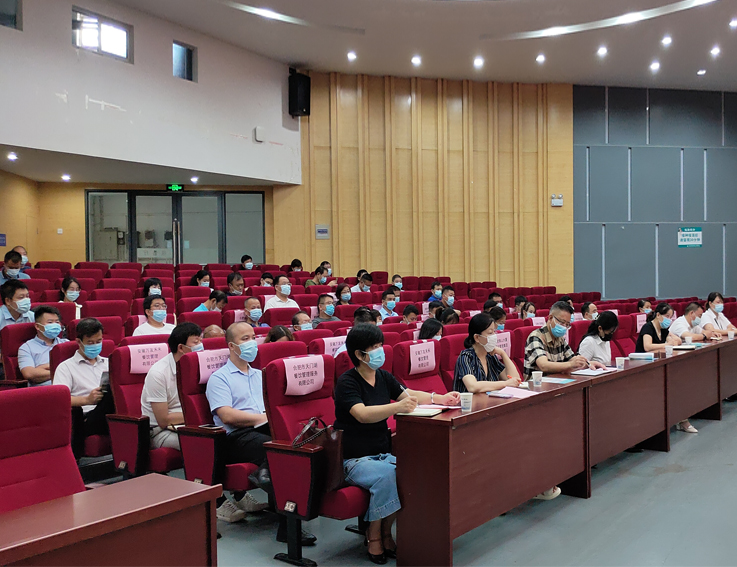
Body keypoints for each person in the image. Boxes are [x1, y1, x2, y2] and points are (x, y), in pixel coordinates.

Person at [334, 324, 460, 562]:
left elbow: (409, 394)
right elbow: (362, 414)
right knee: (387, 476)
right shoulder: (347, 382)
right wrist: (396, 408)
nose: (380, 351)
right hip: (354, 459)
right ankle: (374, 534)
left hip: (382, 453)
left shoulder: (383, 376)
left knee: (407, 471)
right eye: (374, 347)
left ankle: (385, 530)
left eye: (381, 345)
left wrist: (439, 397)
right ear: (359, 354)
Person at [206, 322, 314, 542]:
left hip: (264, 429)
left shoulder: (260, 375)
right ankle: (287, 528)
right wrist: (263, 418)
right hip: (236, 437)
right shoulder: (219, 378)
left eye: (253, 337)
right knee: (281, 454)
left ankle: (266, 475)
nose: (251, 343)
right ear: (232, 346)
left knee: (300, 445)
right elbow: (226, 415)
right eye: (244, 339)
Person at [53, 317, 115, 459]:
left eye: (98, 341)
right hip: (85, 418)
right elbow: (59, 401)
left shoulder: (109, 363)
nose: (95, 345)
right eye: (90, 343)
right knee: (111, 396)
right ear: (79, 342)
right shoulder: (66, 367)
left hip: (109, 412)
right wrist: (87, 400)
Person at [140, 323, 203, 452]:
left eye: (201, 341)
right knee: (203, 444)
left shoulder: (199, 365)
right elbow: (164, 420)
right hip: (160, 431)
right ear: (181, 347)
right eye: (196, 342)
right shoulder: (158, 373)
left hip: (193, 425)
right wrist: (199, 415)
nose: (201, 346)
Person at [635, 303, 694, 433]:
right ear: (658, 315)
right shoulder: (648, 327)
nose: (669, 320)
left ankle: (682, 419)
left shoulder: (663, 329)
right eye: (667, 316)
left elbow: (677, 340)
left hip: (658, 365)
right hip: (642, 367)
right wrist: (666, 344)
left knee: (679, 384)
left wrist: (671, 341)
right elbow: (647, 346)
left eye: (671, 317)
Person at [524, 301, 605, 381]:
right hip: (537, 385)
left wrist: (588, 364)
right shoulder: (535, 337)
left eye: (567, 324)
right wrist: (571, 364)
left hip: (557, 382)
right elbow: (543, 365)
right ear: (550, 318)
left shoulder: (560, 338)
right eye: (562, 323)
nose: (564, 327)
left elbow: (572, 359)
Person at [452, 312, 521, 394]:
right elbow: (473, 387)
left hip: (490, 400)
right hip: (471, 402)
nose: (494, 336)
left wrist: (503, 354)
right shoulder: (466, 357)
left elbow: (514, 380)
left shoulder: (490, 356)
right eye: (490, 333)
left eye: (494, 332)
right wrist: (505, 384)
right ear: (477, 338)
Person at [18, 305, 68, 386]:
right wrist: (63, 370)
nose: (55, 325)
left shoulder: (66, 343)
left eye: (57, 322)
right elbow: (29, 374)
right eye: (50, 322)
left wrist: (43, 368)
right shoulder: (26, 348)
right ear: (37, 326)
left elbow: (78, 367)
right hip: (45, 390)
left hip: (71, 387)